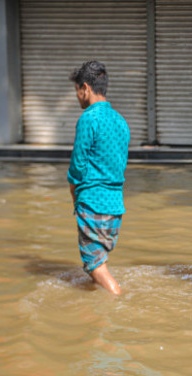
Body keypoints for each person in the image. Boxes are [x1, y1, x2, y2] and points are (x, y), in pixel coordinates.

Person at [67, 60, 130, 295]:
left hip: (92, 203)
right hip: (115, 207)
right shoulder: (120, 121)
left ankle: (118, 300)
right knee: (99, 263)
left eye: (77, 91)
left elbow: (77, 166)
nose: (77, 97)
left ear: (85, 87)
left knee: (95, 267)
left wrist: (74, 195)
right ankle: (99, 311)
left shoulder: (89, 118)